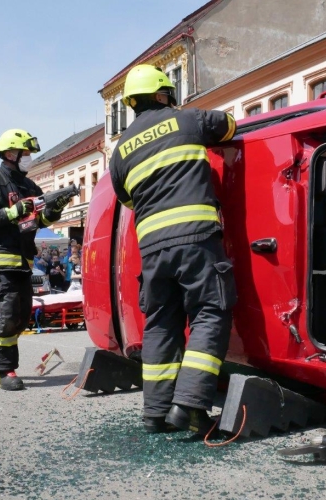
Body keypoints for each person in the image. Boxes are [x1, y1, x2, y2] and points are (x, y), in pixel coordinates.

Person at [109, 64, 237, 435]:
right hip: (196, 237)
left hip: (152, 249)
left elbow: (128, 201)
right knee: (211, 311)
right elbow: (229, 125)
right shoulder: (186, 121)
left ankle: (155, 413)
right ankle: (191, 405)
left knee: (161, 323)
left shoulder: (119, 153)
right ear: (164, 94)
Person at [0, 129, 74, 390]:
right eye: (25, 153)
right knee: (9, 311)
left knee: (21, 315)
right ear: (10, 154)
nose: (29, 158)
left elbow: (38, 221)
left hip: (22, 262)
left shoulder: (30, 186)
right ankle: (4, 370)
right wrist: (11, 212)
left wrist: (55, 209)